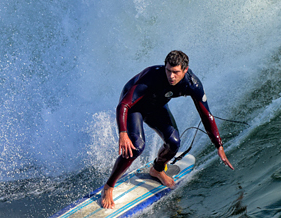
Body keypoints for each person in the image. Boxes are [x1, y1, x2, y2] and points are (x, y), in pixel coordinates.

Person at [100, 50, 234, 209]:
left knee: (174, 142)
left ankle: (156, 170)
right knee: (136, 147)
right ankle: (108, 186)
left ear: (185, 70)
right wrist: (123, 133)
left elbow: (206, 115)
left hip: (156, 106)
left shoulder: (192, 84)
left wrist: (218, 145)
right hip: (134, 107)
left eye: (176, 72)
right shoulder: (151, 76)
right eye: (168, 70)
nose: (171, 76)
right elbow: (124, 105)